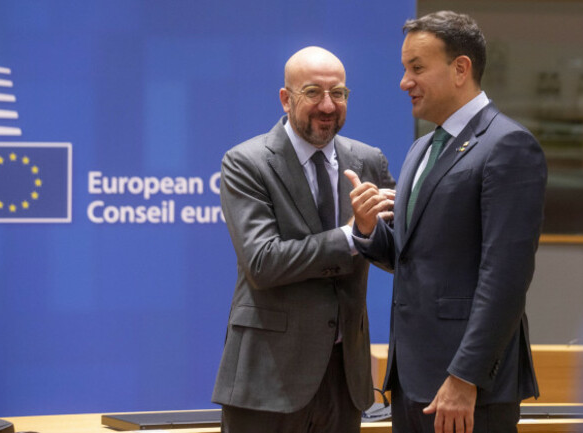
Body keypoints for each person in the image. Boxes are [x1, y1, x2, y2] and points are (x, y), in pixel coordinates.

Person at [345, 11, 547, 433]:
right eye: (404, 69)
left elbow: (505, 277)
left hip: (466, 388)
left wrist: (465, 377)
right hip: (411, 380)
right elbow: (412, 256)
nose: (404, 82)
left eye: (417, 68)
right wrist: (368, 229)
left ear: (461, 69)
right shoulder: (421, 148)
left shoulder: (508, 145)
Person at [212, 46, 396, 433]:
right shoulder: (247, 162)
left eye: (339, 93)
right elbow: (263, 262)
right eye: (313, 92)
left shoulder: (368, 161)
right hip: (269, 377)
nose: (328, 106)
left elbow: (397, 253)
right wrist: (352, 235)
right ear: (286, 98)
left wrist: (371, 234)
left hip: (345, 377)